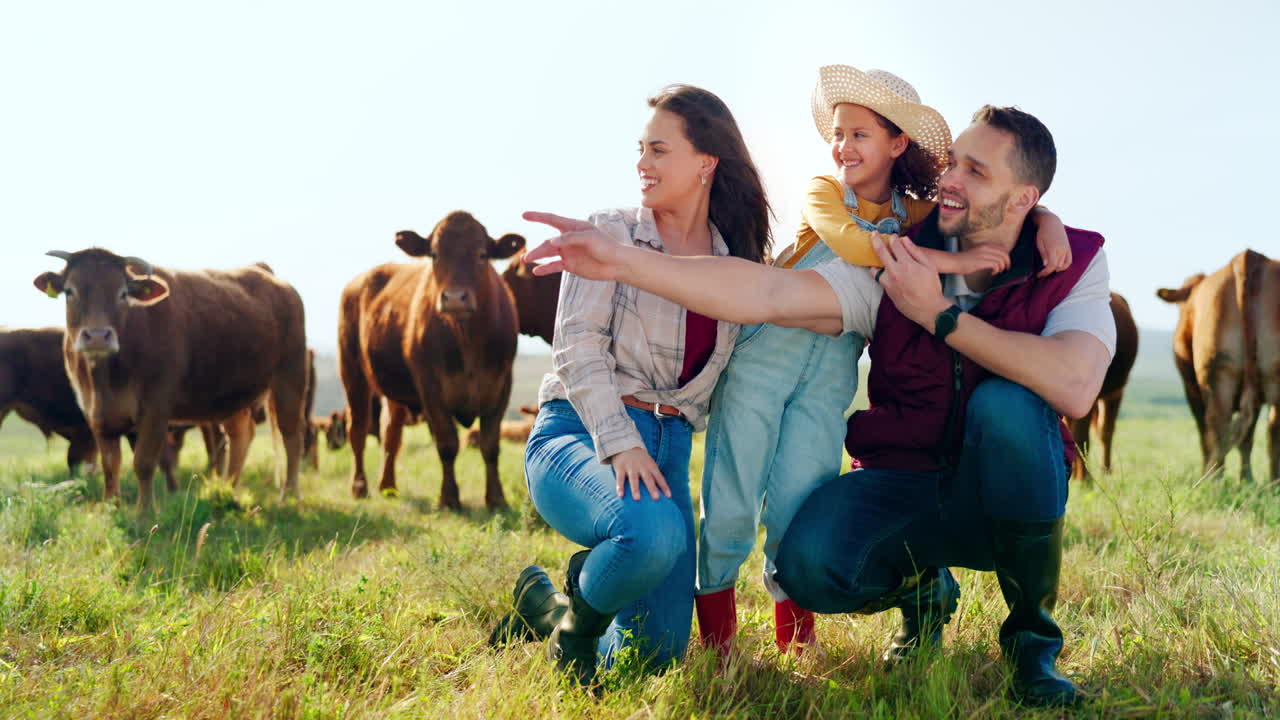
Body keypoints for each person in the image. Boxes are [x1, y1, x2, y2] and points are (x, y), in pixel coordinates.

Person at [522, 105, 1113, 707]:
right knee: (799, 564)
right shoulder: (896, 260)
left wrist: (940, 316)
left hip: (1006, 499)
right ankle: (923, 592)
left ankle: (1034, 653)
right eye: (952, 162)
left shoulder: (1072, 262)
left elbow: (1074, 385)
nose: (950, 179)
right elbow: (767, 291)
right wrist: (624, 260)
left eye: (975, 171)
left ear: (1023, 200)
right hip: (908, 484)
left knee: (1009, 405)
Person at [693, 65, 1072, 658]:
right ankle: (718, 648)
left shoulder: (916, 212)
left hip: (829, 377)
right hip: (764, 354)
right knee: (733, 498)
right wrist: (946, 267)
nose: (842, 146)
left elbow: (982, 208)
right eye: (837, 133)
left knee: (798, 500)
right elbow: (851, 243)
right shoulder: (825, 193)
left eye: (858, 134)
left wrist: (1046, 220)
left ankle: (797, 646)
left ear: (898, 144)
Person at [488, 84, 772, 687]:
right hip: (582, 433)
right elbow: (576, 348)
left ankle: (546, 603)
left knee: (652, 658)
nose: (641, 164)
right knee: (652, 534)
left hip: (667, 452)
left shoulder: (736, 263)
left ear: (706, 162)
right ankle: (576, 634)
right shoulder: (610, 233)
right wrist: (619, 440)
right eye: (639, 149)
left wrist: (1031, 216)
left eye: (658, 150)